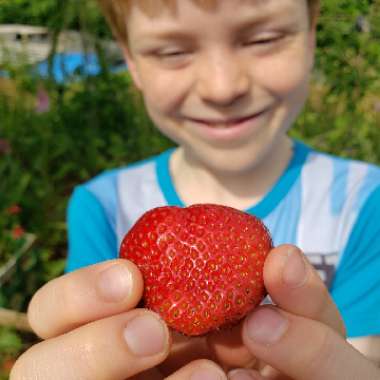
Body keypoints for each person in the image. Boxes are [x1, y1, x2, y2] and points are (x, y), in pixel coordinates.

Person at [10, 0, 380, 379]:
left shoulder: (366, 203)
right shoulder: (102, 208)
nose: (221, 88)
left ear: (311, 33)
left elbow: (366, 354)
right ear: (130, 61)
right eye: (172, 51)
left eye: (264, 39)